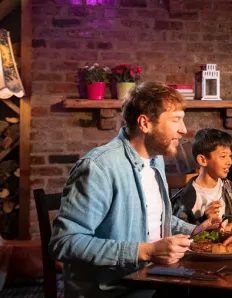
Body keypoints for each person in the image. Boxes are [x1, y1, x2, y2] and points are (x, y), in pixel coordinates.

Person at [49, 82, 217, 298]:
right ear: (145, 123)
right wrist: (145, 252)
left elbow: (151, 217)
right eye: (176, 120)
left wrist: (194, 230)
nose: (184, 129)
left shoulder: (155, 160)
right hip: (114, 291)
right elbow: (64, 243)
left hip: (152, 278)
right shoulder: (99, 167)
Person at [172, 128, 232, 224]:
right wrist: (205, 219)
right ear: (203, 160)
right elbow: (181, 232)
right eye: (223, 156)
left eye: (230, 156)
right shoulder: (184, 199)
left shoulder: (227, 184)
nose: (229, 162)